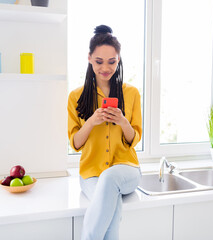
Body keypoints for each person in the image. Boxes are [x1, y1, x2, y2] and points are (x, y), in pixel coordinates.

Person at [67, 25, 142, 240]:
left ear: (119, 60)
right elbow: (75, 143)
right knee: (113, 207)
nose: (105, 68)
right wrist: (91, 122)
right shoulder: (76, 96)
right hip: (91, 174)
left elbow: (133, 139)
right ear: (89, 58)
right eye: (99, 61)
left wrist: (123, 121)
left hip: (126, 169)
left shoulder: (131, 93)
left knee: (110, 177)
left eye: (112, 61)